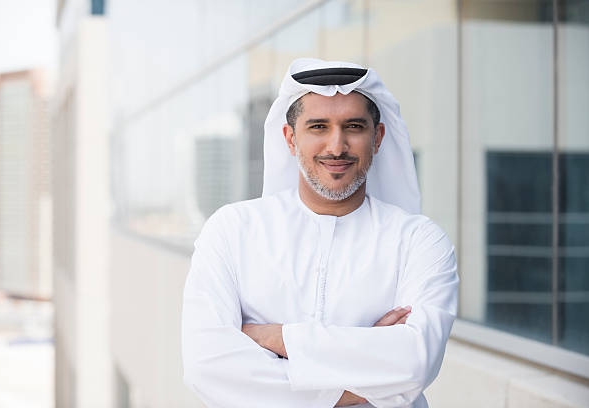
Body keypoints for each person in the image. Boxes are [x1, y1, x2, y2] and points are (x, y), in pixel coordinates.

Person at [181, 58, 459, 408]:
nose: (336, 146)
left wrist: (274, 337)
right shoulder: (232, 230)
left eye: (354, 126)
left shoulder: (420, 240)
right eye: (318, 127)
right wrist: (367, 371)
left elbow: (415, 362)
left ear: (378, 137)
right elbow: (206, 366)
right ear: (290, 138)